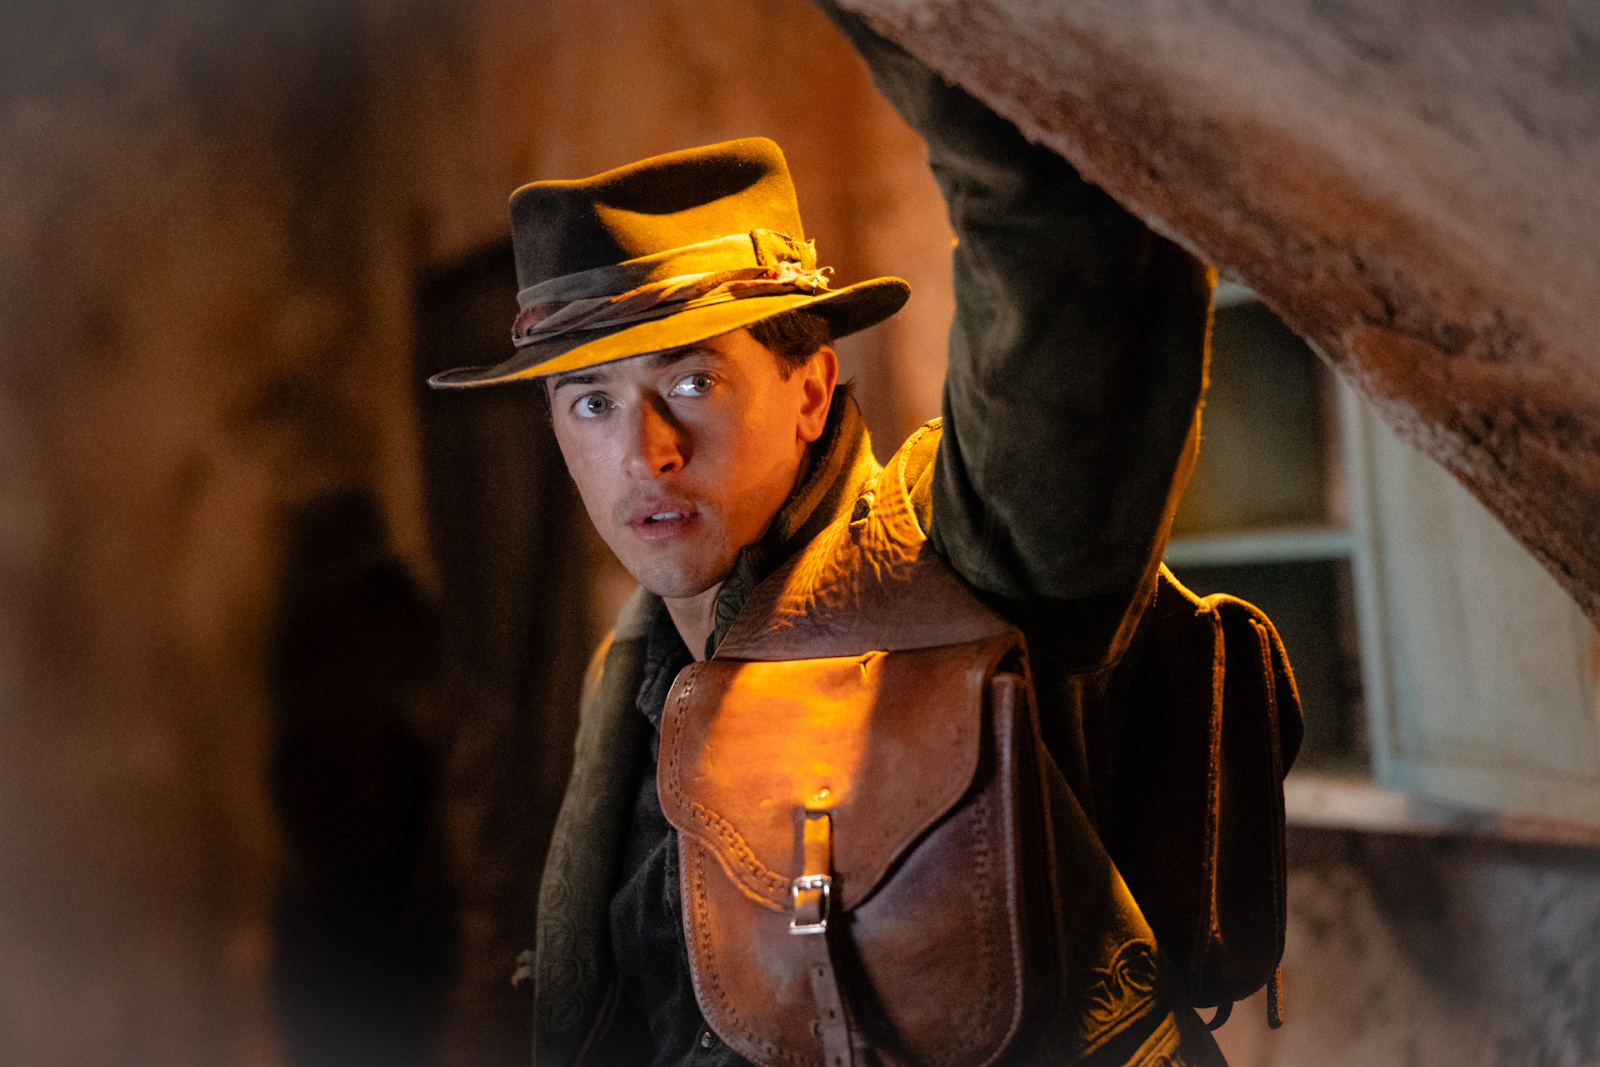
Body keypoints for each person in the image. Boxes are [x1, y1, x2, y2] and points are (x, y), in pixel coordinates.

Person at [430, 12, 1234, 1066]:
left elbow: (1066, 249)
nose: (645, 452)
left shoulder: (961, 567)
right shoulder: (631, 673)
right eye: (591, 403)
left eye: (692, 381)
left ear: (810, 389)